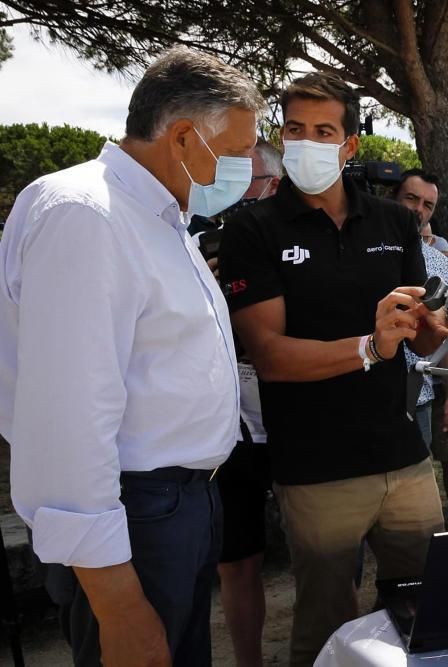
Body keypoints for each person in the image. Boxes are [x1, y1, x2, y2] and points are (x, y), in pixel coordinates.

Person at [0, 47, 263, 666]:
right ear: (181, 137)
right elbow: (69, 421)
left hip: (178, 506)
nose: (248, 172)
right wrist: (117, 601)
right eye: (236, 155)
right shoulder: (86, 215)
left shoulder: (162, 218)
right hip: (134, 516)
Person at [218, 72, 448, 666]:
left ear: (350, 144)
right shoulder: (254, 229)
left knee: (431, 610)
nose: (307, 142)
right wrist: (369, 346)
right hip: (315, 467)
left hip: (403, 455)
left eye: (324, 131)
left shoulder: (392, 222)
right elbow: (269, 354)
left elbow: (419, 319)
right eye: (295, 130)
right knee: (326, 628)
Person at [214, 138, 282, 667]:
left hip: (295, 420)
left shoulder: (299, 240)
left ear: (274, 185)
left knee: (326, 553)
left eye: (244, 182)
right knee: (237, 562)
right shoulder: (194, 242)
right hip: (228, 433)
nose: (229, 195)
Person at [394, 168, 448, 530]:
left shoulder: (439, 263)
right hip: (360, 391)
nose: (418, 210)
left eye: (427, 205)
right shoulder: (361, 248)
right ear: (393, 197)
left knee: (412, 502)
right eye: (411, 198)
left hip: (418, 397)